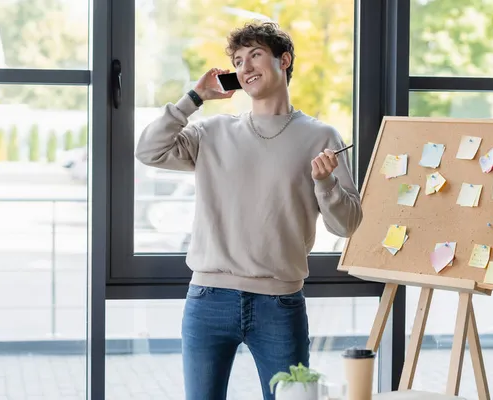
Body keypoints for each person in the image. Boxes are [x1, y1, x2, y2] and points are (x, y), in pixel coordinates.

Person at [135, 20, 363, 400]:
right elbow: (148, 151)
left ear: (284, 60)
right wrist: (194, 97)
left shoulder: (322, 137)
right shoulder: (212, 133)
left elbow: (348, 224)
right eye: (238, 61)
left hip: (280, 304)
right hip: (208, 299)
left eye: (255, 54)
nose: (245, 67)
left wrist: (326, 183)